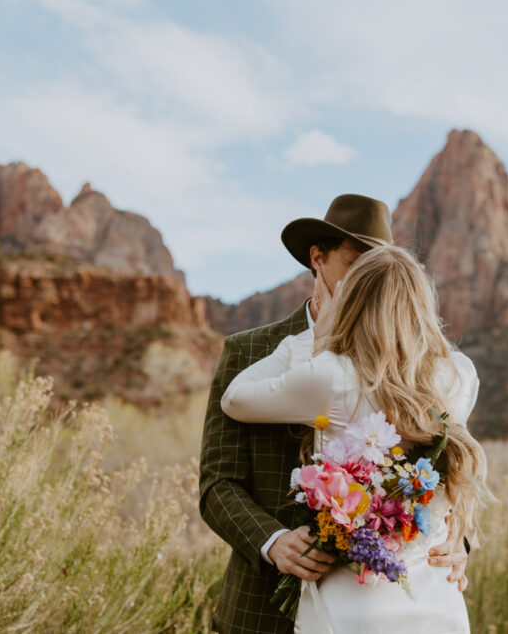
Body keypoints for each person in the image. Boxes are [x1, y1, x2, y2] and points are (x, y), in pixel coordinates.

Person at [199, 195, 471, 634]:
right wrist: (275, 542)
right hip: (263, 606)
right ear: (317, 259)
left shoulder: (421, 366)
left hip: (382, 607)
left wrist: (455, 540)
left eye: (377, 265)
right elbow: (217, 482)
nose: (368, 278)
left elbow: (446, 467)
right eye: (356, 261)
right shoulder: (248, 351)